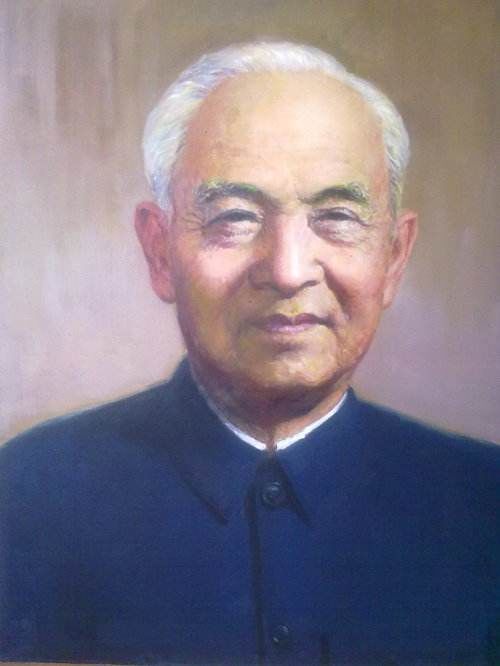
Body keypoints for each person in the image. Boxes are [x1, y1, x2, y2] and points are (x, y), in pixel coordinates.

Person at [0, 41, 498, 665]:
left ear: (394, 258)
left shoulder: (486, 506)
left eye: (337, 216)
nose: (288, 271)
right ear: (158, 252)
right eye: (234, 217)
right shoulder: (25, 496)